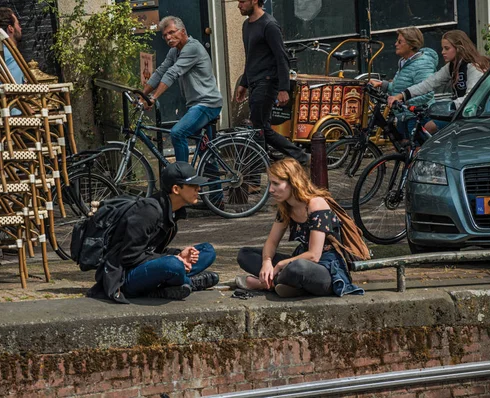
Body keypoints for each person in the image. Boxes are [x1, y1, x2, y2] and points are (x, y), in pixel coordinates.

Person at [86, 162, 220, 303]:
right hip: (125, 277)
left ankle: (181, 282)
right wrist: (174, 259)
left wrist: (179, 255)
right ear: (176, 189)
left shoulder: (173, 211)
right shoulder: (148, 211)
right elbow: (129, 257)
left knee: (207, 250)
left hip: (148, 264)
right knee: (173, 265)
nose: (198, 189)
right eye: (193, 186)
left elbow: (153, 248)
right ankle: (187, 282)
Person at [235, 158, 364, 298]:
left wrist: (279, 266)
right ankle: (287, 285)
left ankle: (266, 284)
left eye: (276, 184)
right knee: (245, 254)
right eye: (270, 183)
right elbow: (272, 242)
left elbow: (314, 255)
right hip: (297, 262)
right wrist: (267, 262)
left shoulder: (316, 204)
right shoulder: (286, 207)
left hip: (324, 269)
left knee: (297, 268)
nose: (271, 189)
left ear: (293, 183)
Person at [235, 0, 310, 166]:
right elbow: (251, 58)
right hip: (254, 83)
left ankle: (255, 176)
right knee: (262, 129)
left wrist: (283, 88)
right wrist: (244, 83)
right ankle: (300, 156)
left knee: (257, 129)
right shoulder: (246, 26)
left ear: (255, 1)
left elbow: (281, 57)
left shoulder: (269, 25)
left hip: (267, 82)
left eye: (242, 1)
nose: (238, 5)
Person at [143, 16, 223, 164]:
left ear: (183, 31)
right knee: (206, 153)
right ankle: (215, 187)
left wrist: (153, 97)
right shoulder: (174, 52)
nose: (168, 37)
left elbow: (173, 73)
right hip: (195, 105)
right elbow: (160, 72)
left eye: (172, 32)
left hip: (207, 104)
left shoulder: (192, 48)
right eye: (165, 35)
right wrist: (143, 95)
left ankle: (183, 178)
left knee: (177, 133)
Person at [388, 30, 490, 133]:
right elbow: (429, 83)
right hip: (464, 113)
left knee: (430, 127)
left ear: (459, 48)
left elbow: (472, 99)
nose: (442, 52)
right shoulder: (452, 66)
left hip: (480, 117)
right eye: (443, 48)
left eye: (447, 48)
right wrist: (402, 95)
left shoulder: (473, 67)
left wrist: (448, 106)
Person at [370, 27, 438, 136]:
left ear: (411, 45)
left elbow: (427, 93)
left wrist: (403, 102)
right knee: (404, 148)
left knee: (415, 150)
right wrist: (383, 84)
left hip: (416, 116)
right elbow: (401, 87)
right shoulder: (404, 62)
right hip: (404, 114)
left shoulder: (422, 64)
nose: (396, 44)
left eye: (400, 41)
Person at [0, 7, 24, 85]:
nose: (20, 28)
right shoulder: (10, 54)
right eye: (18, 24)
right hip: (13, 93)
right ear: (11, 28)